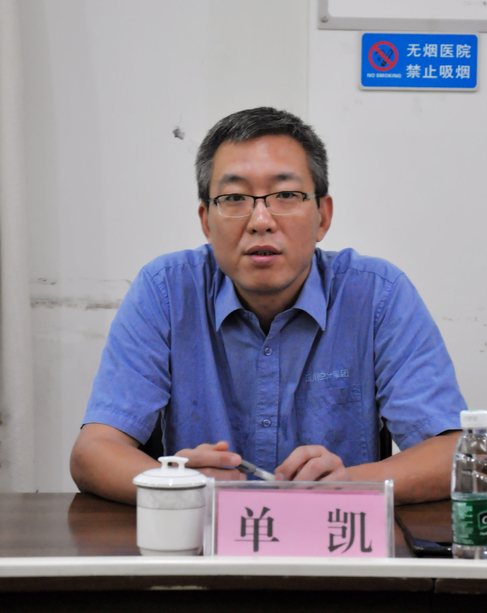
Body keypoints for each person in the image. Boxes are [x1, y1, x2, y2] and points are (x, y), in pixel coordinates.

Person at [70, 107, 466, 506]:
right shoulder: (166, 291)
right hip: (201, 538)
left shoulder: (377, 294)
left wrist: (349, 483)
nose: (261, 220)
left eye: (286, 195)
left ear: (323, 216)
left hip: (332, 535)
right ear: (206, 221)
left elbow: (455, 456)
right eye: (234, 198)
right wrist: (176, 483)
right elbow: (93, 453)